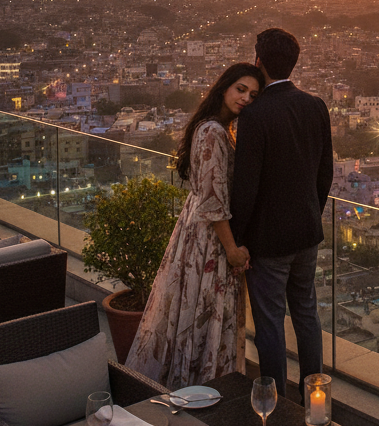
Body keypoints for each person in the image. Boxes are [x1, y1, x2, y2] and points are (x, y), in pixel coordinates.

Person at [125, 62, 264, 388]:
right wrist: (231, 249)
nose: (246, 99)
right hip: (210, 239)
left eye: (253, 95)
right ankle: (201, 390)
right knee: (204, 314)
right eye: (241, 89)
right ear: (224, 87)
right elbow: (213, 200)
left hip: (200, 232)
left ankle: (195, 386)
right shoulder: (214, 132)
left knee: (193, 314)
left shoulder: (216, 128)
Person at [230, 28, 333, 401]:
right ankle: (314, 399)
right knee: (306, 315)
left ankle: (276, 408)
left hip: (268, 240)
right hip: (306, 233)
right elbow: (325, 174)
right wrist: (311, 214)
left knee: (271, 323)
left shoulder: (255, 115)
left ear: (259, 62)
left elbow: (246, 186)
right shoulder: (315, 105)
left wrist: (238, 240)